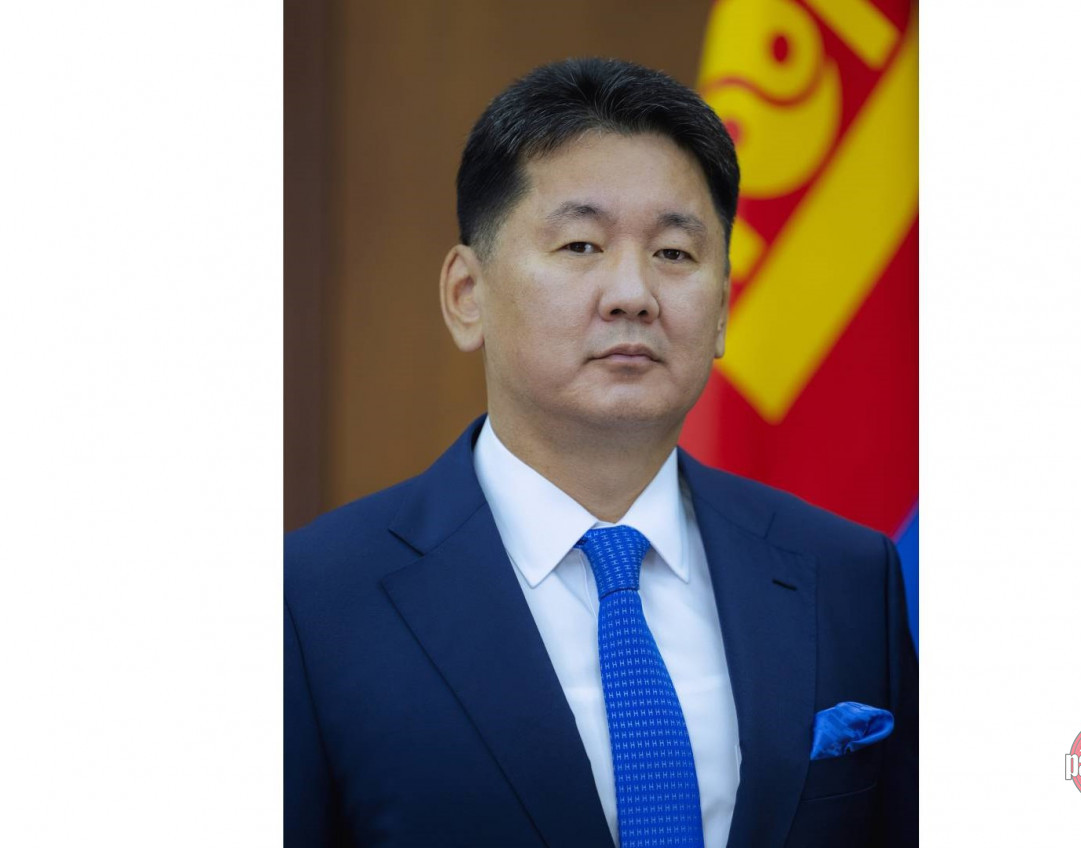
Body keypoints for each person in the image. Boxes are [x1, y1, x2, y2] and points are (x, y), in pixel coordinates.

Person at [285, 57, 917, 848]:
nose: (632, 294)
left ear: (723, 311)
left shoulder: (846, 576)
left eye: (674, 254)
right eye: (581, 245)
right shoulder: (311, 601)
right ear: (467, 295)